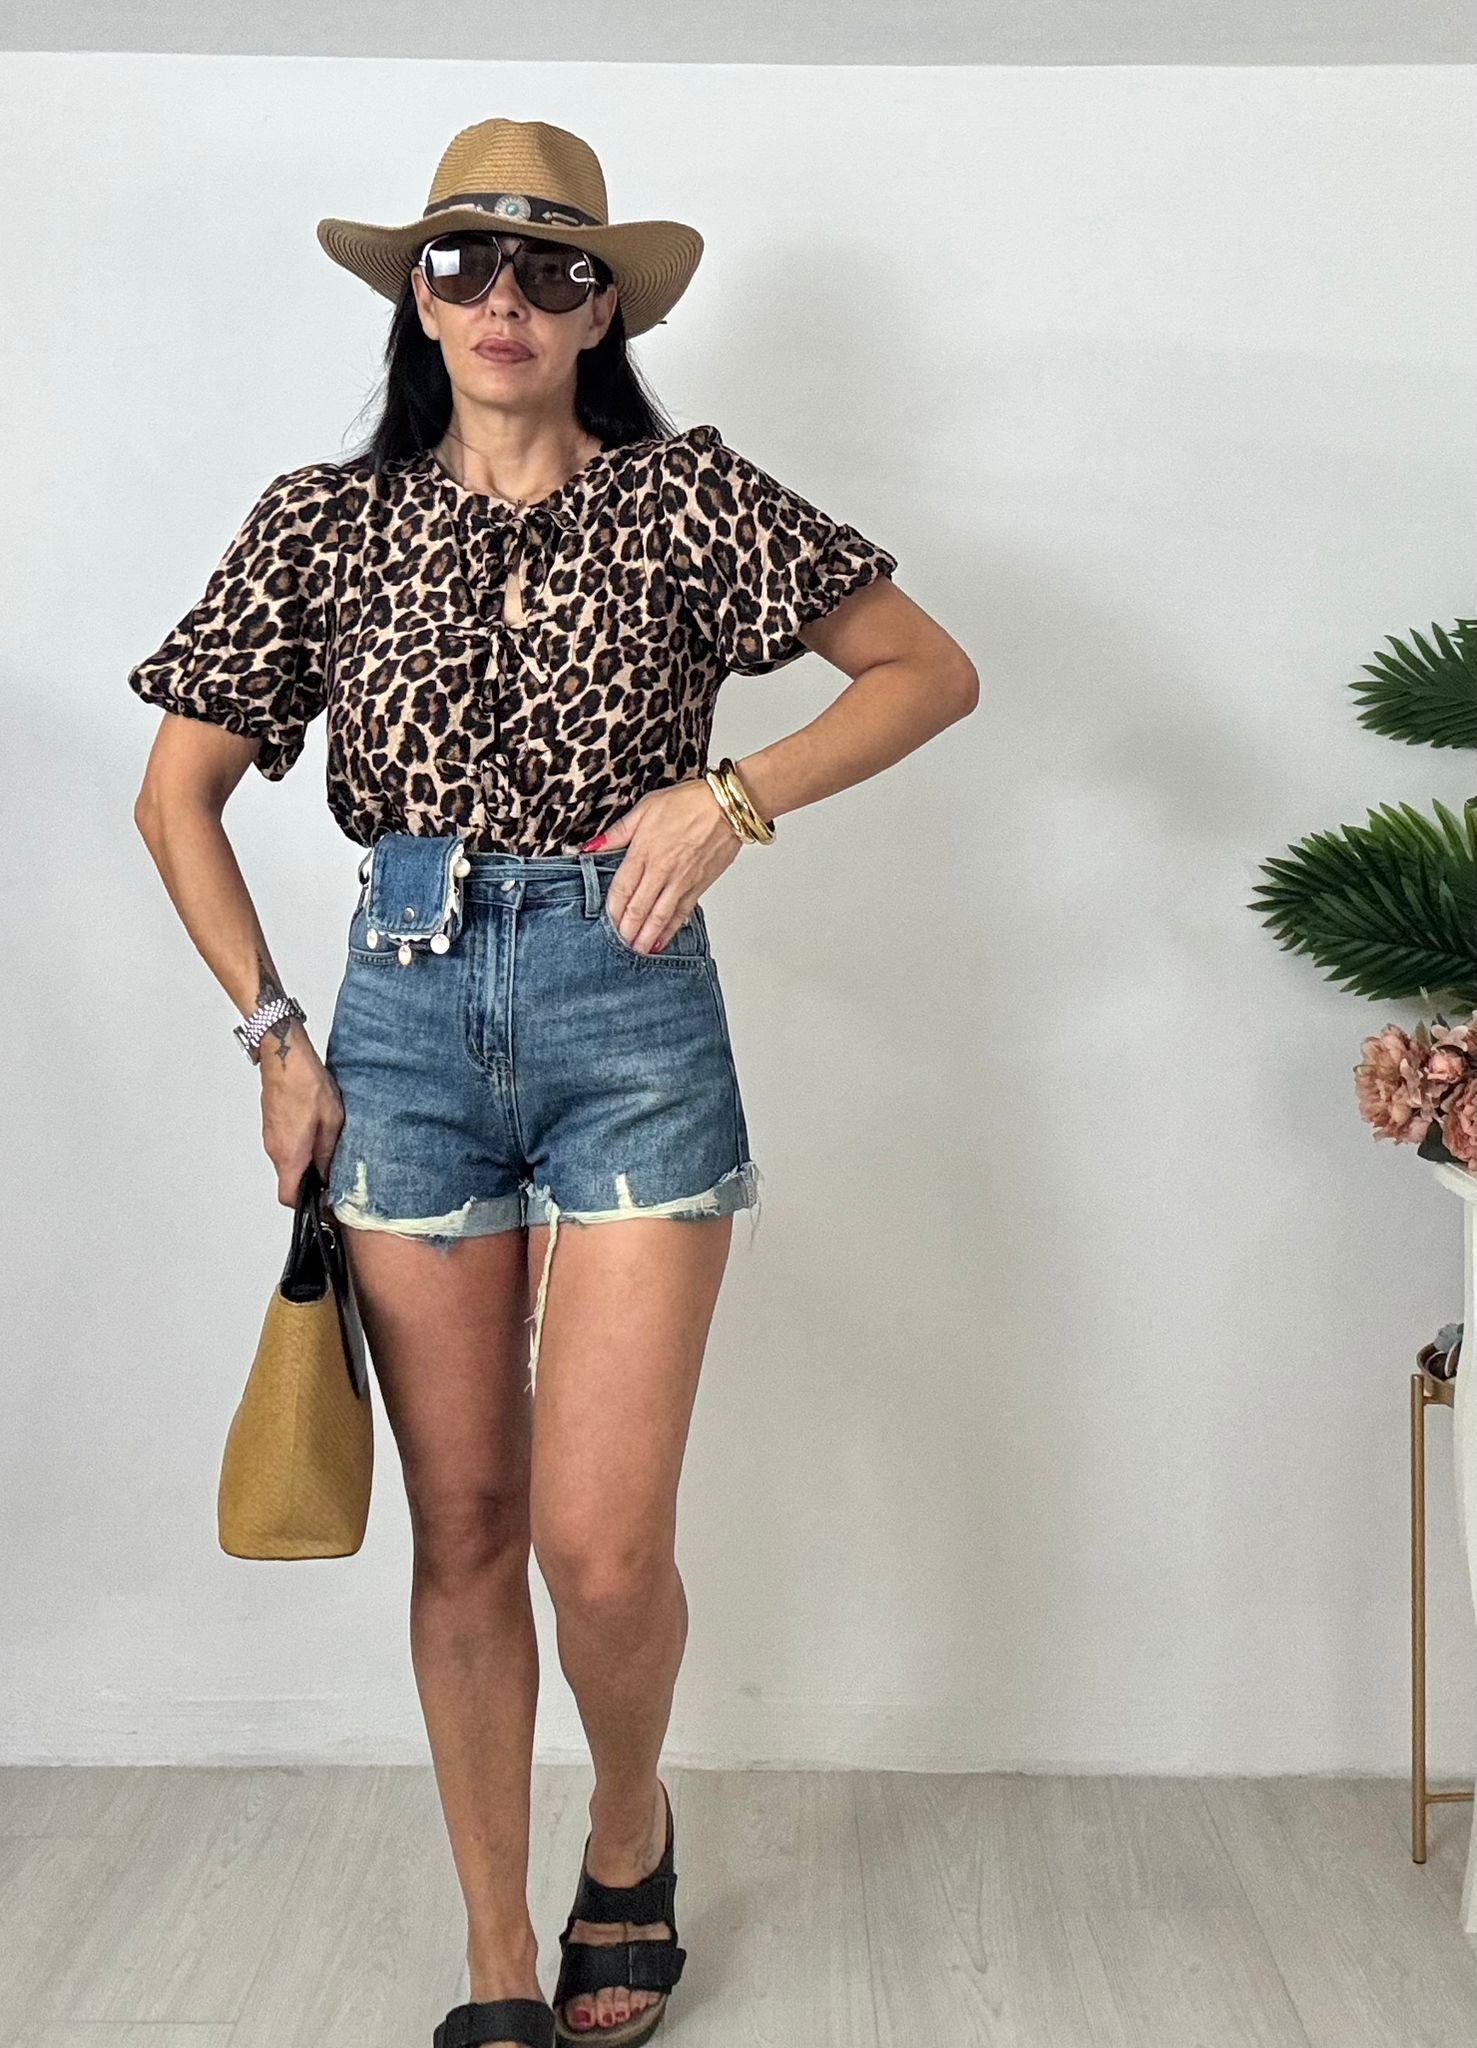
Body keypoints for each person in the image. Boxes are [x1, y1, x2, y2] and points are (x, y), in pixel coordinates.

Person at [128, 117, 978, 2048]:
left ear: (603, 311)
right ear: (415, 303)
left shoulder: (688, 501)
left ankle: (628, 1825)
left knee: (601, 1548)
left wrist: (732, 795)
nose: (502, 298)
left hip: (631, 1020)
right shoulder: (323, 523)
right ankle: (498, 1955)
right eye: (461, 263)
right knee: (467, 1530)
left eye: (549, 268)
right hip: (403, 1027)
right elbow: (177, 794)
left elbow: (924, 671)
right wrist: (274, 1039)